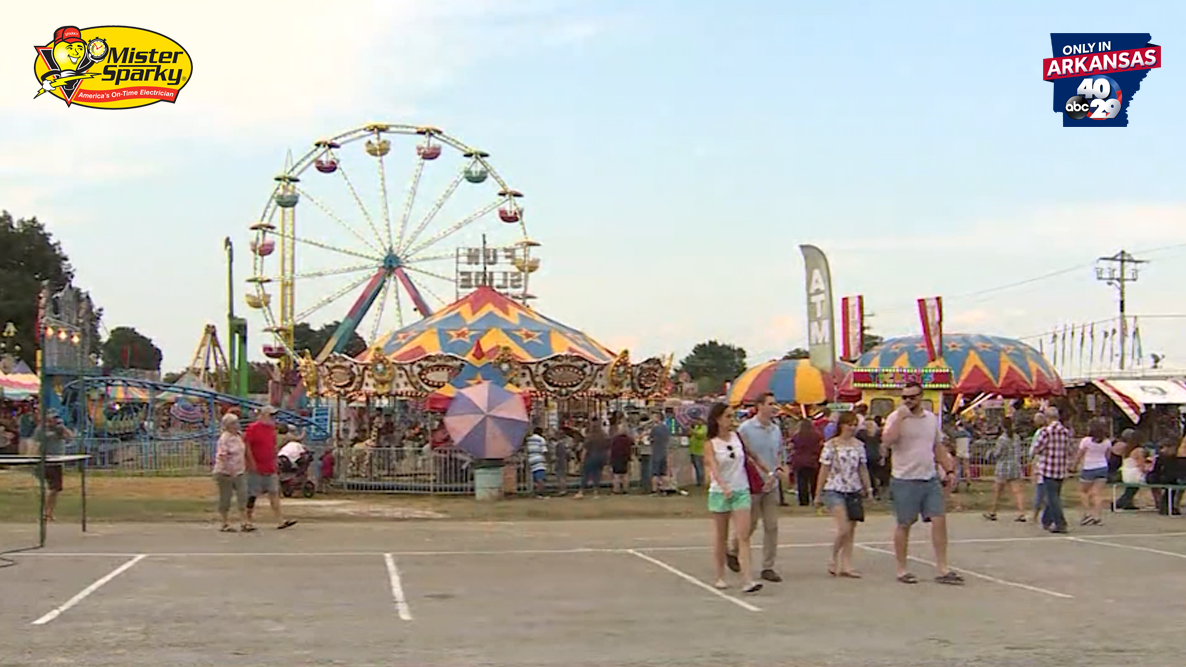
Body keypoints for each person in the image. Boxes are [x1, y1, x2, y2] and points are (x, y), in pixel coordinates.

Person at [882, 382, 963, 585]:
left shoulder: (930, 419)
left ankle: (942, 568)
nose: (908, 401)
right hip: (904, 478)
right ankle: (902, 569)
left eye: (912, 397)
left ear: (921, 397)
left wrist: (949, 469)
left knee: (939, 519)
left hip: (929, 477)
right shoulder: (896, 417)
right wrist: (900, 417)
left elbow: (936, 446)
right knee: (904, 523)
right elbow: (887, 441)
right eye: (905, 397)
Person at [703, 402, 763, 594]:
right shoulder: (710, 444)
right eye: (728, 417)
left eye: (733, 416)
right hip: (720, 493)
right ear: (718, 419)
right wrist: (722, 486)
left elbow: (751, 457)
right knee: (721, 536)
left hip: (741, 490)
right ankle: (720, 575)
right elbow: (712, 466)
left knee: (743, 536)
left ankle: (748, 579)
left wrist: (770, 472)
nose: (731, 421)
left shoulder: (738, 437)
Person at [727, 392, 784, 583]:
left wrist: (777, 471)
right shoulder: (746, 429)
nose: (773, 407)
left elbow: (778, 454)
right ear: (759, 406)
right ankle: (733, 550)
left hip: (771, 483)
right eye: (770, 403)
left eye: (774, 403)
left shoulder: (776, 429)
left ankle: (768, 566)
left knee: (772, 525)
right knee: (749, 525)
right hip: (752, 483)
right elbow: (744, 456)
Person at [814, 411, 872, 578]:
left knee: (851, 529)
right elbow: (824, 469)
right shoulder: (831, 445)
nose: (852, 428)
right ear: (841, 425)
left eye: (854, 424)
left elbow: (862, 468)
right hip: (834, 488)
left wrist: (868, 488)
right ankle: (833, 558)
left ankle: (847, 564)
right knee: (843, 527)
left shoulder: (859, 445)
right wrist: (818, 493)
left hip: (853, 489)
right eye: (849, 424)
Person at [243, 407, 297, 531]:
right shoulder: (253, 428)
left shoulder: (271, 429)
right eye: (270, 415)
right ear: (263, 415)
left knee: (274, 492)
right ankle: (247, 520)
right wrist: (250, 462)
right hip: (256, 466)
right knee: (252, 494)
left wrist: (275, 461)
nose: (272, 418)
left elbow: (272, 446)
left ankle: (280, 520)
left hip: (269, 466)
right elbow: (247, 446)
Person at [1031, 407, 1072, 533]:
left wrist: (1033, 455)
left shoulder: (1046, 432)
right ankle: (1046, 520)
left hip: (1048, 467)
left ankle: (1060, 523)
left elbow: (1037, 448)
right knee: (1054, 494)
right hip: (1060, 467)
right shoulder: (1065, 431)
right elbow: (1068, 448)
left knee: (1052, 497)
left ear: (1047, 418)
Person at [32, 411, 74, 523]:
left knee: (56, 489)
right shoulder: (41, 430)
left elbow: (70, 437)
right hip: (46, 461)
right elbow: (35, 445)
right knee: (52, 488)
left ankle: (49, 513)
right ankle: (45, 513)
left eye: (56, 418)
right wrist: (34, 460)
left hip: (57, 462)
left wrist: (63, 428)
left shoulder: (59, 429)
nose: (54, 421)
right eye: (52, 418)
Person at [983, 417, 1026, 522]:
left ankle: (993, 512)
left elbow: (998, 453)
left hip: (1003, 466)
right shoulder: (1016, 437)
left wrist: (991, 453)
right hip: (1014, 465)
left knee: (997, 491)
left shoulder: (1002, 439)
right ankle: (1021, 512)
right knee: (1017, 491)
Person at [213, 413, 249, 532]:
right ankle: (224, 522)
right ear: (227, 425)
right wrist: (228, 469)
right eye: (233, 423)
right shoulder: (225, 438)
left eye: (236, 422)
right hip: (225, 472)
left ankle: (244, 522)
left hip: (239, 470)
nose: (236, 425)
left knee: (243, 495)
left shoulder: (239, 436)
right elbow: (223, 455)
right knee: (226, 497)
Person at [1074, 419, 1111, 526]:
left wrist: (1074, 465)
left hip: (1089, 467)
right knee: (1097, 493)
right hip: (1102, 467)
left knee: (1083, 491)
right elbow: (1107, 456)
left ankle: (1087, 513)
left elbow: (1080, 454)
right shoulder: (1107, 442)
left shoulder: (1086, 441)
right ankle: (1097, 516)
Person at [790, 418, 824, 507]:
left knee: (801, 482)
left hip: (799, 461)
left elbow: (792, 446)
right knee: (814, 481)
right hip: (813, 461)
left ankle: (803, 501)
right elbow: (820, 447)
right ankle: (814, 498)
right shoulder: (817, 435)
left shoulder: (797, 436)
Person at [575, 422, 609, 499]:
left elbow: (585, 450)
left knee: (586, 475)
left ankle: (581, 491)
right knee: (597, 475)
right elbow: (607, 449)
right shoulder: (604, 437)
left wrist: (581, 460)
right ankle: (596, 492)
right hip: (600, 458)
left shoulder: (589, 438)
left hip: (590, 457)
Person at [856, 417, 884, 499]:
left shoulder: (861, 433)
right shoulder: (878, 433)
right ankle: (874, 489)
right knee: (874, 473)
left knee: (866, 473)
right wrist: (882, 457)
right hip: (875, 454)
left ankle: (867, 489)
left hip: (865, 454)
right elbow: (881, 445)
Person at [1028, 412, 1048, 523]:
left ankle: (1035, 514)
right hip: (1042, 461)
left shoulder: (1042, 432)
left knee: (1040, 489)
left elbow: (1035, 448)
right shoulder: (1043, 432)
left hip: (1040, 462)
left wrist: (1032, 459)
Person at [649, 413, 671, 494]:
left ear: (658, 418)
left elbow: (650, 438)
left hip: (656, 452)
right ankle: (664, 489)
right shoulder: (666, 428)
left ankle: (654, 490)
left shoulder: (655, 428)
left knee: (655, 473)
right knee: (663, 473)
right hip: (664, 452)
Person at [526, 427, 548, 498]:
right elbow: (544, 451)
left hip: (530, 459)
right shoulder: (541, 439)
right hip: (539, 460)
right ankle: (540, 494)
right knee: (540, 478)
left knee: (534, 478)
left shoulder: (529, 439)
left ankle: (535, 492)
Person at [952, 420, 972, 492]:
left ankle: (956, 484)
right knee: (966, 469)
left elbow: (953, 443)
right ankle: (968, 482)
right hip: (966, 452)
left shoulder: (956, 434)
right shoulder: (968, 434)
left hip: (958, 452)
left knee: (957, 469)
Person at [552, 427, 572, 496]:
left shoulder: (559, 444)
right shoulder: (565, 444)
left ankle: (562, 490)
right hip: (564, 461)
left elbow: (557, 454)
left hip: (560, 461)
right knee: (563, 476)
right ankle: (564, 489)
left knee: (560, 476)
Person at [688, 419, 707, 487]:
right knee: (696, 466)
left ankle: (701, 482)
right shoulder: (696, 427)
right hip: (693, 450)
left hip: (700, 451)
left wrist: (692, 430)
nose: (697, 422)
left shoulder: (704, 428)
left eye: (699, 421)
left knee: (699, 467)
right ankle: (698, 481)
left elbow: (700, 435)